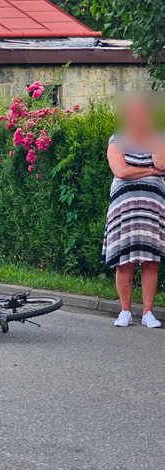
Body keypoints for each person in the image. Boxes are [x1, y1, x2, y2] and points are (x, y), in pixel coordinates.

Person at [102, 92, 165, 327]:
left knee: (151, 259)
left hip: (152, 208)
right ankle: (125, 312)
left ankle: (148, 313)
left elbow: (162, 163)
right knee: (124, 260)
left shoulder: (159, 136)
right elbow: (121, 171)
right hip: (124, 208)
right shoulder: (117, 139)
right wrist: (149, 172)